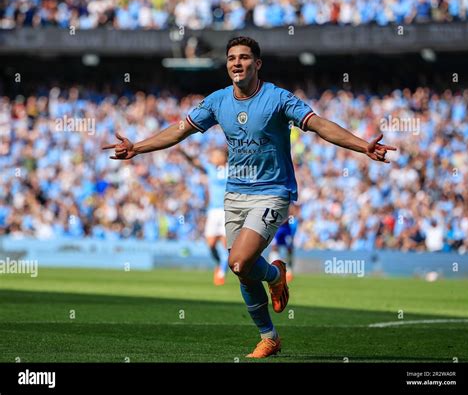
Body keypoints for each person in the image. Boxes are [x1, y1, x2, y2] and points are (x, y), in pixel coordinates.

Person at [102, 36, 396, 358]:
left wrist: (362, 145)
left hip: (272, 193)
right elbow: (179, 130)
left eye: (243, 58)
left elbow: (320, 125)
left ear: (257, 64)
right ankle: (270, 333)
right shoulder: (217, 102)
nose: (236, 63)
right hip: (235, 196)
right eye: (231, 58)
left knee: (239, 261)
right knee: (242, 270)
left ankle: (273, 276)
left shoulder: (278, 99)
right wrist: (137, 148)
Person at [178, 147, 228, 285]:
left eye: (216, 155)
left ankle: (222, 273)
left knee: (225, 244)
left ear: (224, 157)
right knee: (211, 244)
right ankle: (219, 264)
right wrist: (182, 151)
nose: (213, 157)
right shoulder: (211, 169)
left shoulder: (233, 170)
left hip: (228, 211)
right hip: (213, 211)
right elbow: (195, 162)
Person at [268, 203, 299, 283]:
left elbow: (293, 214)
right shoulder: (277, 198)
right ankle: (273, 269)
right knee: (274, 247)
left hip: (286, 229)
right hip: (277, 229)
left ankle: (289, 271)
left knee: (289, 249)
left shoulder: (290, 202)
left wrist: (290, 220)